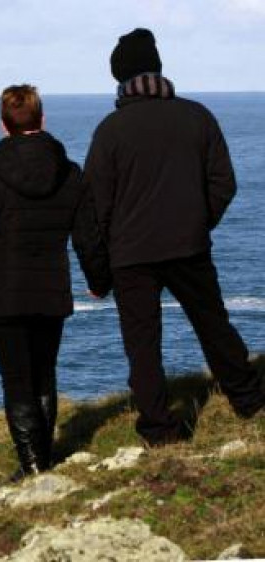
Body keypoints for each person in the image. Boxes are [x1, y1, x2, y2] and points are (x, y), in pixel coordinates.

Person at [84, 28, 265, 446]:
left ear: (120, 77)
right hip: (188, 244)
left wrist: (100, 268)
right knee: (212, 324)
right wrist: (198, 221)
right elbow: (224, 183)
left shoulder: (111, 130)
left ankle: (159, 428)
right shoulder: (197, 116)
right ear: (158, 69)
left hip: (130, 255)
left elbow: (95, 206)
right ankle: (248, 399)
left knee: (143, 344)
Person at [0, 85, 111, 480]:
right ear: (42, 120)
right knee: (44, 375)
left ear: (3, 124)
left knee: (17, 381)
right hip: (50, 289)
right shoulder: (70, 173)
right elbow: (88, 236)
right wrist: (99, 279)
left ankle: (33, 467)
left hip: (5, 291)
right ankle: (44, 461)